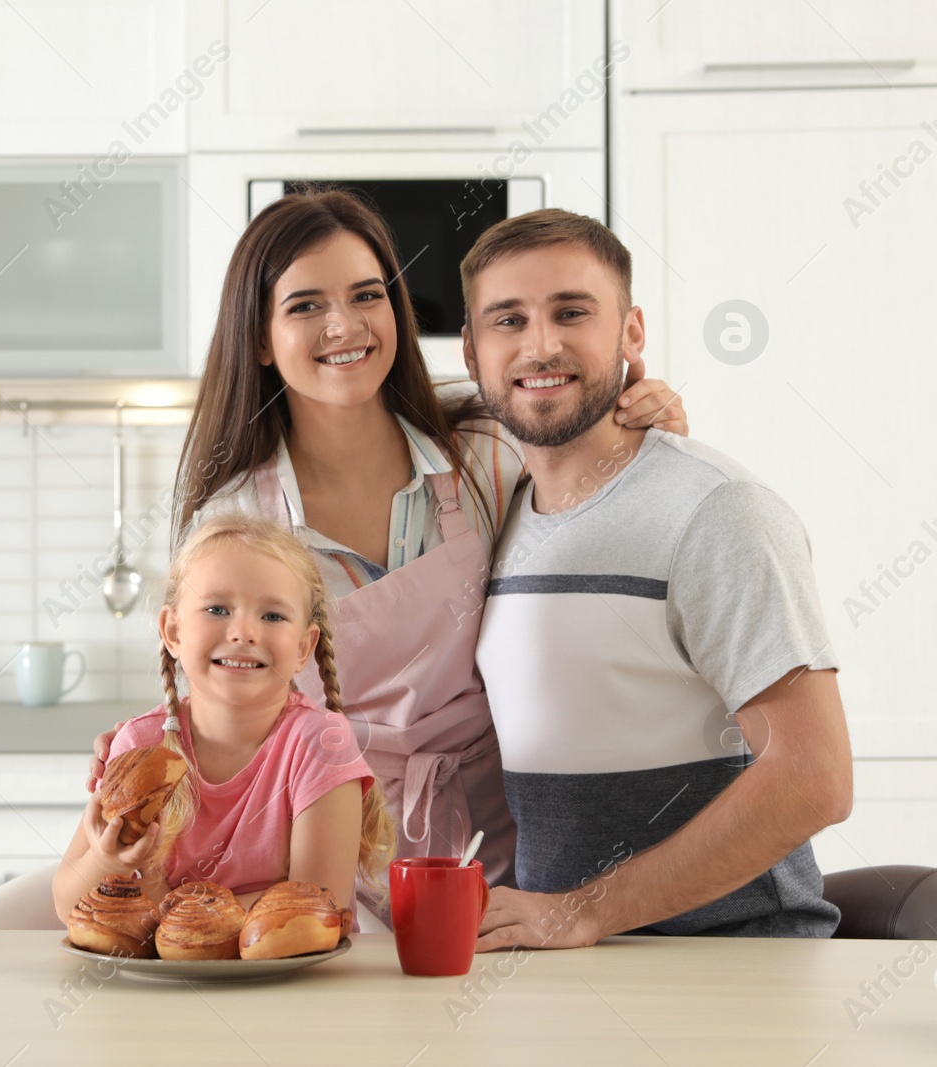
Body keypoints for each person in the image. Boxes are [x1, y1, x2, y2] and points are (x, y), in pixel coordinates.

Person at [85, 189, 690, 923]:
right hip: (338, 859)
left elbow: (611, 530)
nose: (344, 326)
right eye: (305, 305)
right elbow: (224, 688)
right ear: (258, 338)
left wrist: (647, 430)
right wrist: (152, 736)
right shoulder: (236, 522)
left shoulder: (486, 448)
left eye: (366, 295)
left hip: (526, 859)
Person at [462, 209, 853, 947]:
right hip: (569, 968)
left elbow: (815, 775)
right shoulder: (496, 513)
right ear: (473, 350)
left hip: (733, 965)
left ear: (632, 333)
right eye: (507, 320)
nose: (540, 343)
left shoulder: (716, 510)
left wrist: (584, 911)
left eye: (571, 312)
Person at [53, 514, 392, 922]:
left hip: (291, 985)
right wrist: (107, 862)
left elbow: (318, 908)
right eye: (217, 608)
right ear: (173, 632)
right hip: (159, 986)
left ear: (304, 646)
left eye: (272, 616)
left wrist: (165, 908)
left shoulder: (320, 744)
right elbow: (66, 906)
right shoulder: (140, 746)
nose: (243, 632)